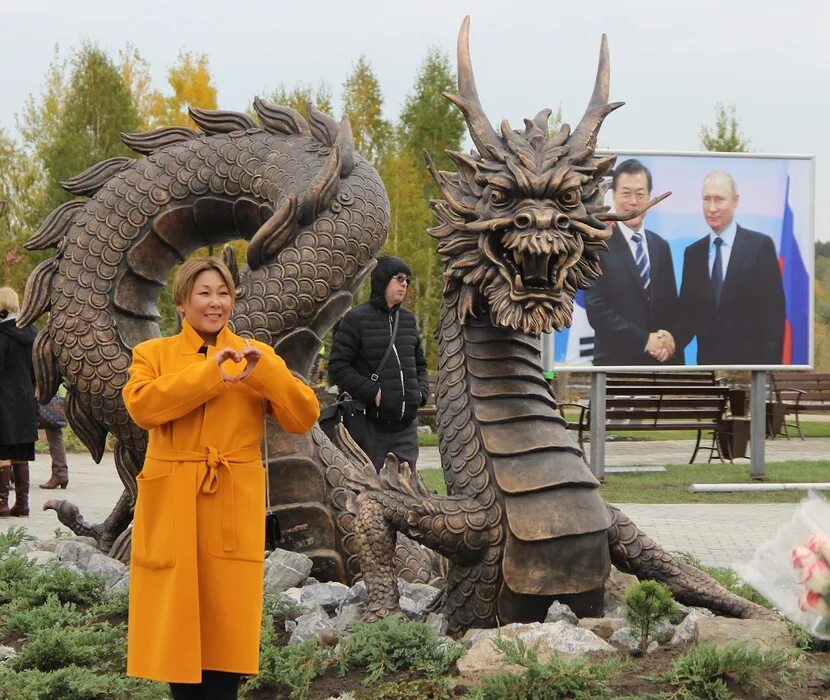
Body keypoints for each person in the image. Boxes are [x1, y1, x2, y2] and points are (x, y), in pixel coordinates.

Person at [122, 258, 319, 699]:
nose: (216, 303)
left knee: (228, 626)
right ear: (182, 301)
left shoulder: (257, 356)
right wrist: (211, 373)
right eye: (205, 293)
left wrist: (266, 375)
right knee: (177, 630)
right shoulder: (152, 354)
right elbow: (143, 407)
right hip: (173, 499)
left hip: (231, 499)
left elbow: (303, 416)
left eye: (224, 293)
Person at [328, 256, 429, 473]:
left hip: (406, 426)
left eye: (407, 280)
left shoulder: (408, 320)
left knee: (406, 492)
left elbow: (419, 364)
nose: (404, 284)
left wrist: (420, 393)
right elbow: (338, 366)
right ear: (383, 280)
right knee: (366, 492)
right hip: (370, 425)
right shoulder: (356, 319)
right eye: (399, 278)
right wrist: (372, 392)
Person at [677, 171, 785, 365]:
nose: (712, 208)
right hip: (709, 370)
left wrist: (767, 373)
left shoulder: (760, 247)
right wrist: (665, 343)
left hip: (751, 370)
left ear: (735, 201)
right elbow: (687, 316)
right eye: (706, 199)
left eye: (719, 199)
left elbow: (773, 318)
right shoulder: (693, 254)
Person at [585, 159, 679, 365]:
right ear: (613, 195)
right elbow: (597, 311)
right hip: (615, 365)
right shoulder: (598, 246)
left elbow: (671, 304)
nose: (633, 202)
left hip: (660, 367)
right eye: (626, 193)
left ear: (650, 198)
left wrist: (667, 338)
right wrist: (645, 340)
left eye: (640, 194)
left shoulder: (661, 246)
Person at [0, 287, 37, 518]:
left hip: (2, 399)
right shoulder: (32, 333)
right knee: (21, 452)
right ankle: (22, 504)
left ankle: (1, 504)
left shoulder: (1, 335)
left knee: (2, 448)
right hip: (25, 399)